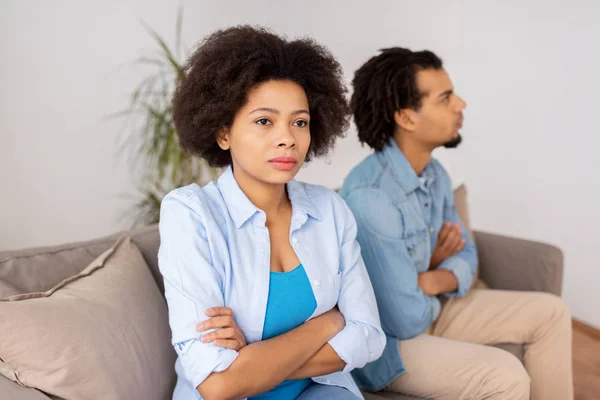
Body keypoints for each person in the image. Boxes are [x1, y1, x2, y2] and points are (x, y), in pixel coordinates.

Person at [157, 26, 385, 400]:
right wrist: (326, 323)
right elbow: (218, 384)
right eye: (265, 121)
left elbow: (369, 337)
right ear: (223, 132)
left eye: (300, 122)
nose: (288, 138)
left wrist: (251, 360)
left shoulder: (329, 210)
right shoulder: (191, 215)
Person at [340, 47, 573, 400]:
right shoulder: (370, 198)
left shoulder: (436, 175)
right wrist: (432, 280)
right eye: (445, 97)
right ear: (406, 117)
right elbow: (403, 319)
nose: (460, 104)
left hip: (428, 308)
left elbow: (468, 256)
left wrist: (428, 279)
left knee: (552, 312)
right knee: (505, 375)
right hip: (387, 345)